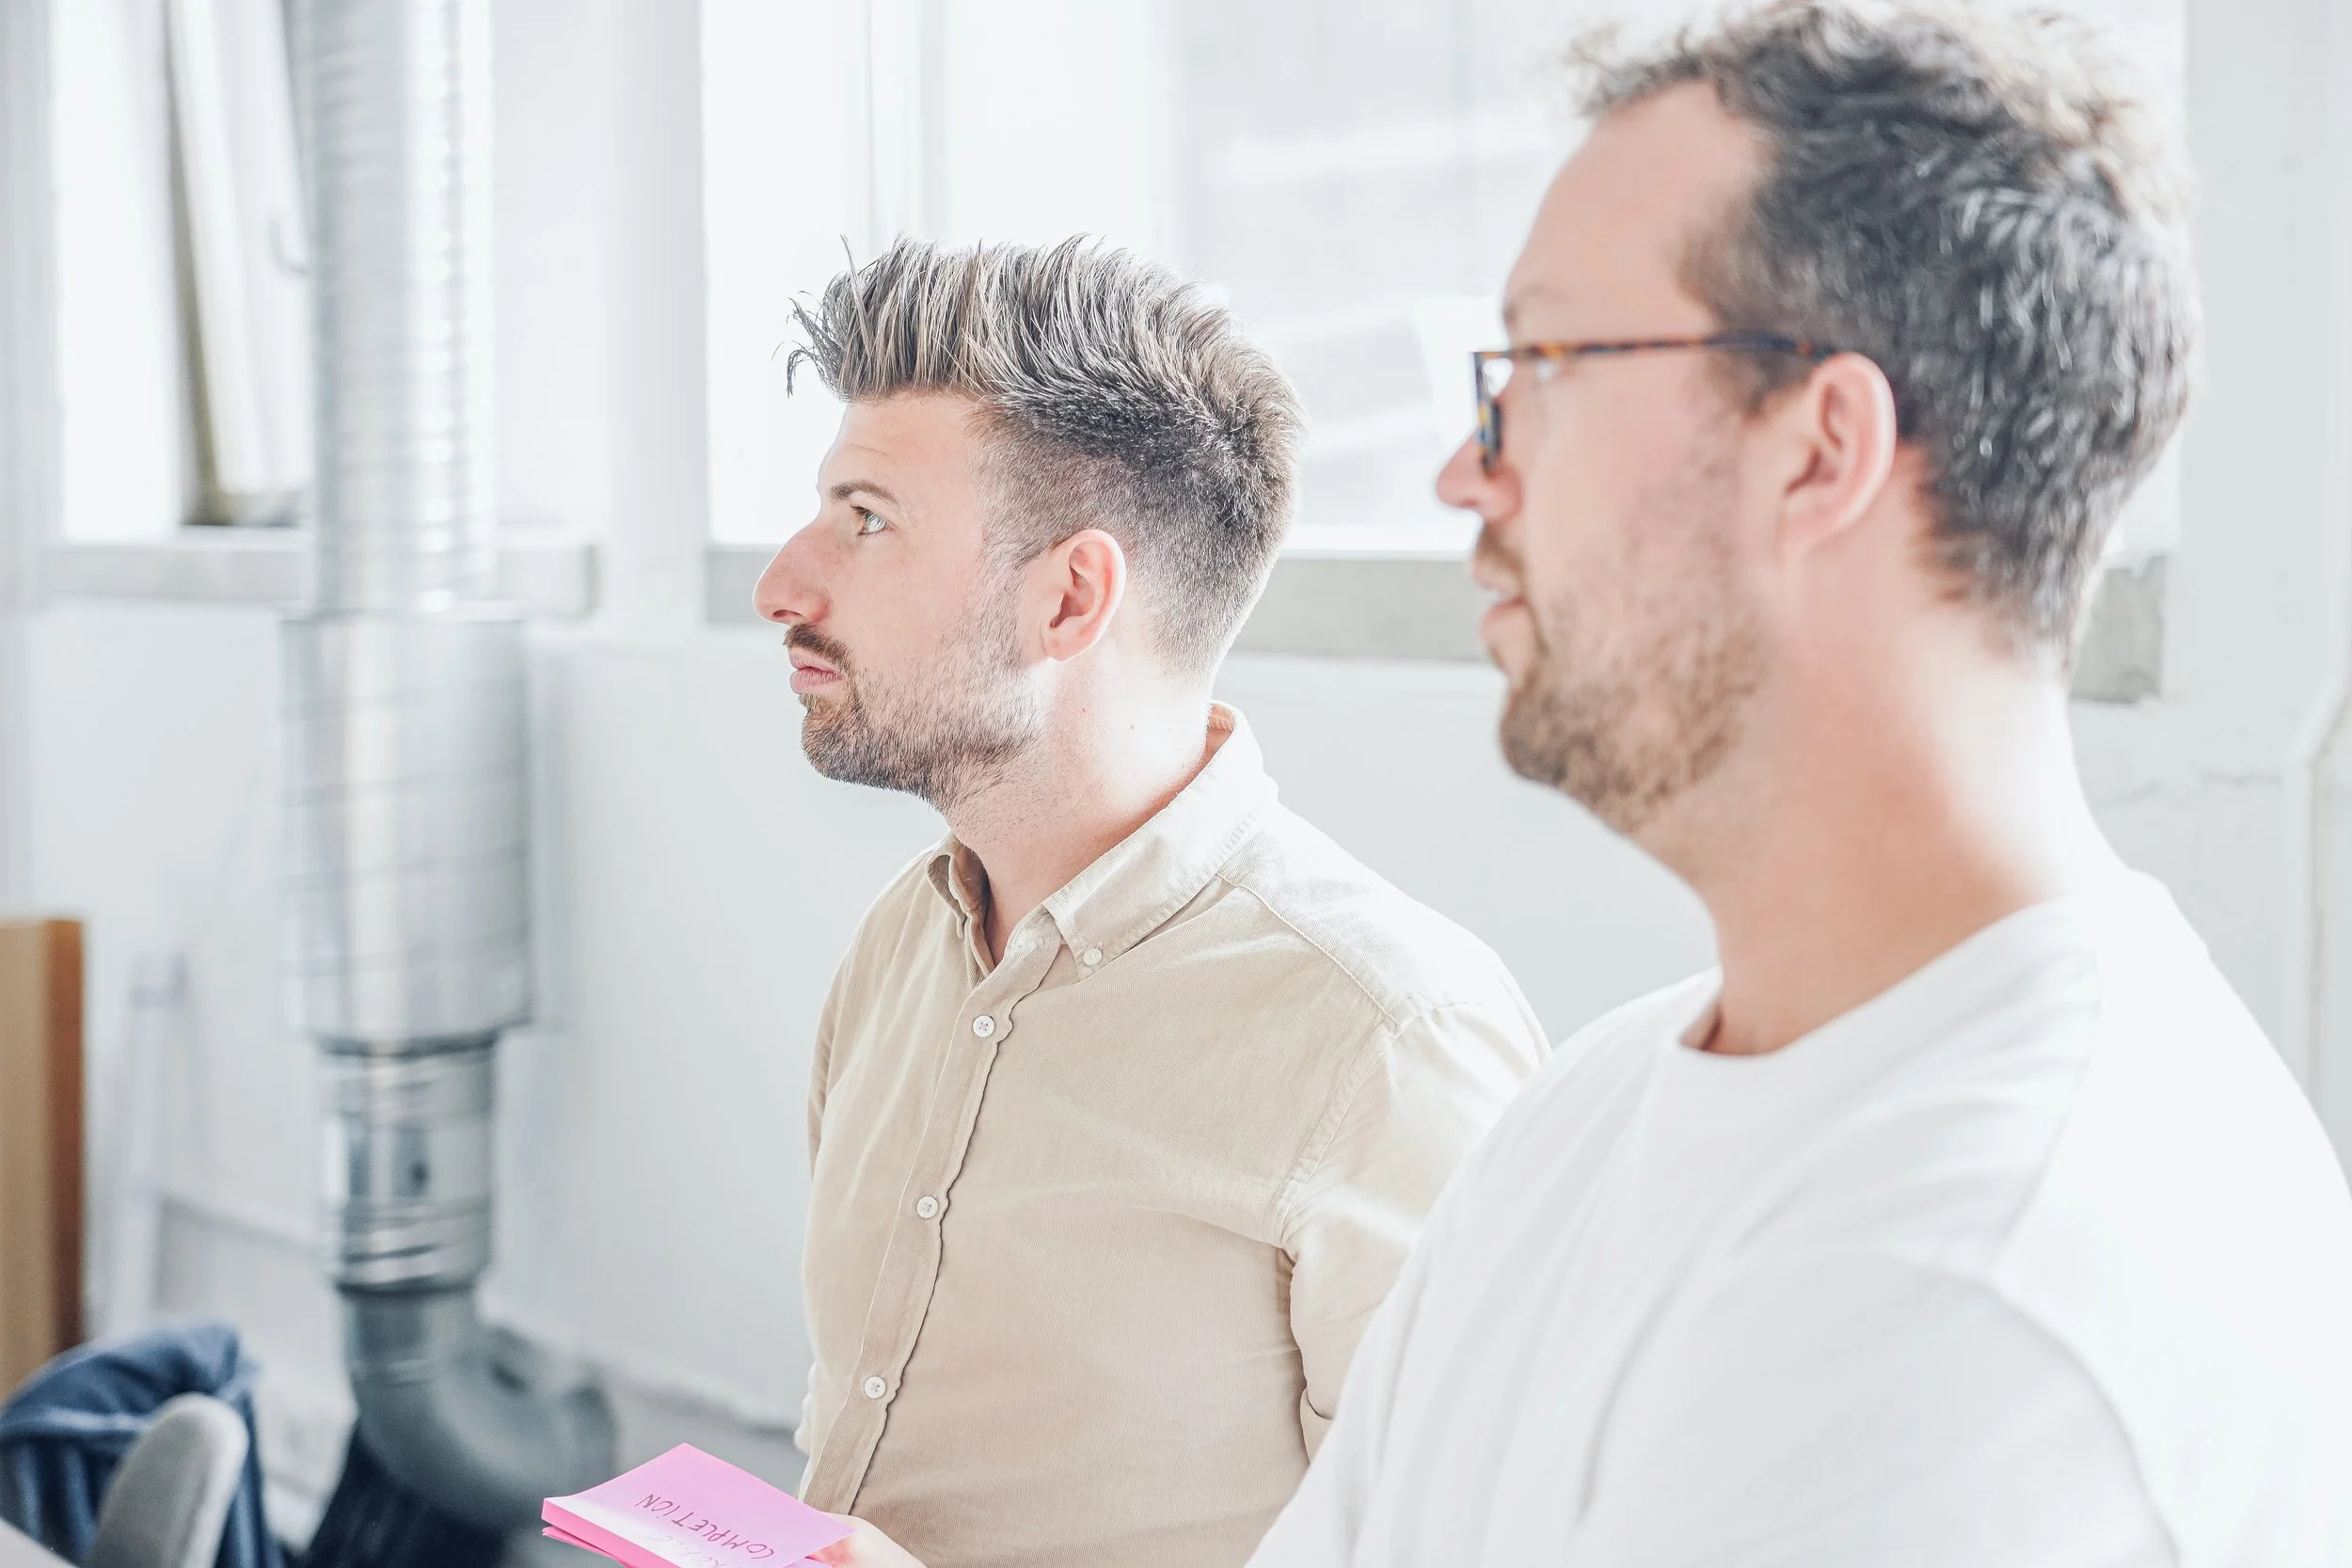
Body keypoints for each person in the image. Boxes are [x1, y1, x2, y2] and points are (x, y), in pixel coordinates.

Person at [1239, 4, 2352, 1564]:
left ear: (1822, 448)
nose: (1465, 470)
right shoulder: (1590, 1104)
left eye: (1543, 362)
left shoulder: (1995, 1275)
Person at [757, 237, 1546, 1568]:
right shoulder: (899, 951)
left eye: (867, 517)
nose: (785, 579)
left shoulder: (1387, 1044)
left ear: (1070, 596)